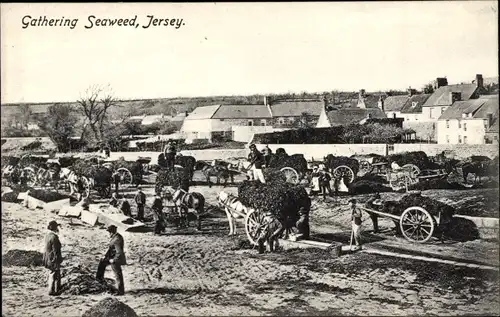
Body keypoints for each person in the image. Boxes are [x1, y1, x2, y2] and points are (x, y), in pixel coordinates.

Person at [96, 225, 127, 296]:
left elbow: (119, 252)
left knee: (118, 274)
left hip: (116, 259)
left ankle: (120, 291)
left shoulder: (117, 239)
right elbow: (110, 249)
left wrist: (114, 260)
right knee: (102, 262)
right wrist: (105, 256)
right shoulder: (115, 237)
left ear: (112, 232)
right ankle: (99, 279)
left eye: (109, 232)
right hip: (111, 257)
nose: (109, 234)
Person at [43, 220, 63, 296]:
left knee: (54, 274)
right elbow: (56, 250)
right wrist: (58, 259)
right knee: (53, 274)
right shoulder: (54, 237)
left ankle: (56, 289)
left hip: (48, 258)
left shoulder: (47, 236)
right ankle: (52, 291)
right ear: (55, 228)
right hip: (53, 259)